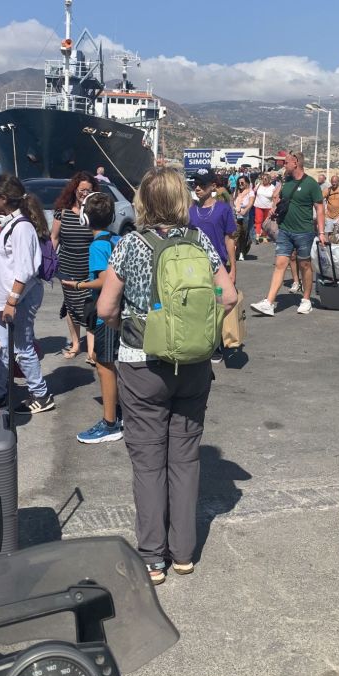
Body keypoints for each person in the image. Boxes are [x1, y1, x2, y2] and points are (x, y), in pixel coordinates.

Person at [97, 167, 237, 584]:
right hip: (193, 365)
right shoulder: (199, 242)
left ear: (143, 201)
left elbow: (105, 309)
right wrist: (199, 324)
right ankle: (183, 554)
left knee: (148, 461)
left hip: (142, 363)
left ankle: (152, 558)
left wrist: (127, 326)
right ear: (181, 201)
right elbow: (228, 297)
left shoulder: (129, 244)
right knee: (185, 458)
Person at [0, 173, 54, 413]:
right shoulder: (11, 224)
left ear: (3, 198)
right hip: (6, 299)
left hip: (19, 298)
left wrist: (12, 301)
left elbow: (25, 269)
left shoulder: (22, 228)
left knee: (22, 348)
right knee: (1, 347)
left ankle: (41, 395)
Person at [73, 193, 122, 444]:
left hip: (106, 315)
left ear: (85, 219)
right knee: (114, 362)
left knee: (104, 366)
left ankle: (110, 423)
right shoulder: (118, 239)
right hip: (122, 311)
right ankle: (119, 410)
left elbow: (103, 281)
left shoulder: (97, 246)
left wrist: (79, 285)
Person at [250, 152, 325, 317]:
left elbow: (319, 208)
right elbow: (279, 198)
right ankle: (269, 302)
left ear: (295, 162)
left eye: (286, 162)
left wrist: (321, 232)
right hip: (284, 230)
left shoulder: (311, 184)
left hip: (304, 232)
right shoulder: (287, 182)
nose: (284, 165)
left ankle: (306, 300)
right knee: (280, 264)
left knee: (305, 265)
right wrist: (274, 207)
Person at [50, 172, 99, 361]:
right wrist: (50, 262)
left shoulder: (94, 212)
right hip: (67, 267)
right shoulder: (62, 211)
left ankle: (92, 350)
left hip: (89, 267)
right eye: (81, 190)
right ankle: (76, 343)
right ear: (74, 190)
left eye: (89, 190)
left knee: (90, 306)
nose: (84, 193)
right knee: (71, 306)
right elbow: (54, 238)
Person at [189, 169, 237, 283]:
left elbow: (229, 240)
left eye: (202, 184)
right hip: (195, 266)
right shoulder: (190, 210)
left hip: (218, 266)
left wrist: (233, 269)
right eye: (195, 184)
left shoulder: (223, 209)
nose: (197, 188)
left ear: (213, 186)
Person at [232, 175, 255, 261]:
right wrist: (235, 209)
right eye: (239, 183)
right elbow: (233, 202)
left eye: (242, 183)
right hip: (236, 215)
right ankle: (234, 252)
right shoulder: (236, 192)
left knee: (244, 235)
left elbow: (251, 203)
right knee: (235, 234)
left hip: (246, 216)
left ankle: (242, 252)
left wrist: (245, 210)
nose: (240, 184)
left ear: (247, 183)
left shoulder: (250, 192)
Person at [253, 172, 277, 243]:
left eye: (266, 179)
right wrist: (258, 185)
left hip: (268, 207)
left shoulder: (272, 187)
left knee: (266, 222)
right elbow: (253, 191)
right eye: (263, 179)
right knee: (258, 221)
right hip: (258, 206)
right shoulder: (259, 185)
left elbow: (274, 197)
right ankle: (257, 236)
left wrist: (274, 207)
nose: (264, 180)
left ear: (269, 180)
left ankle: (264, 236)